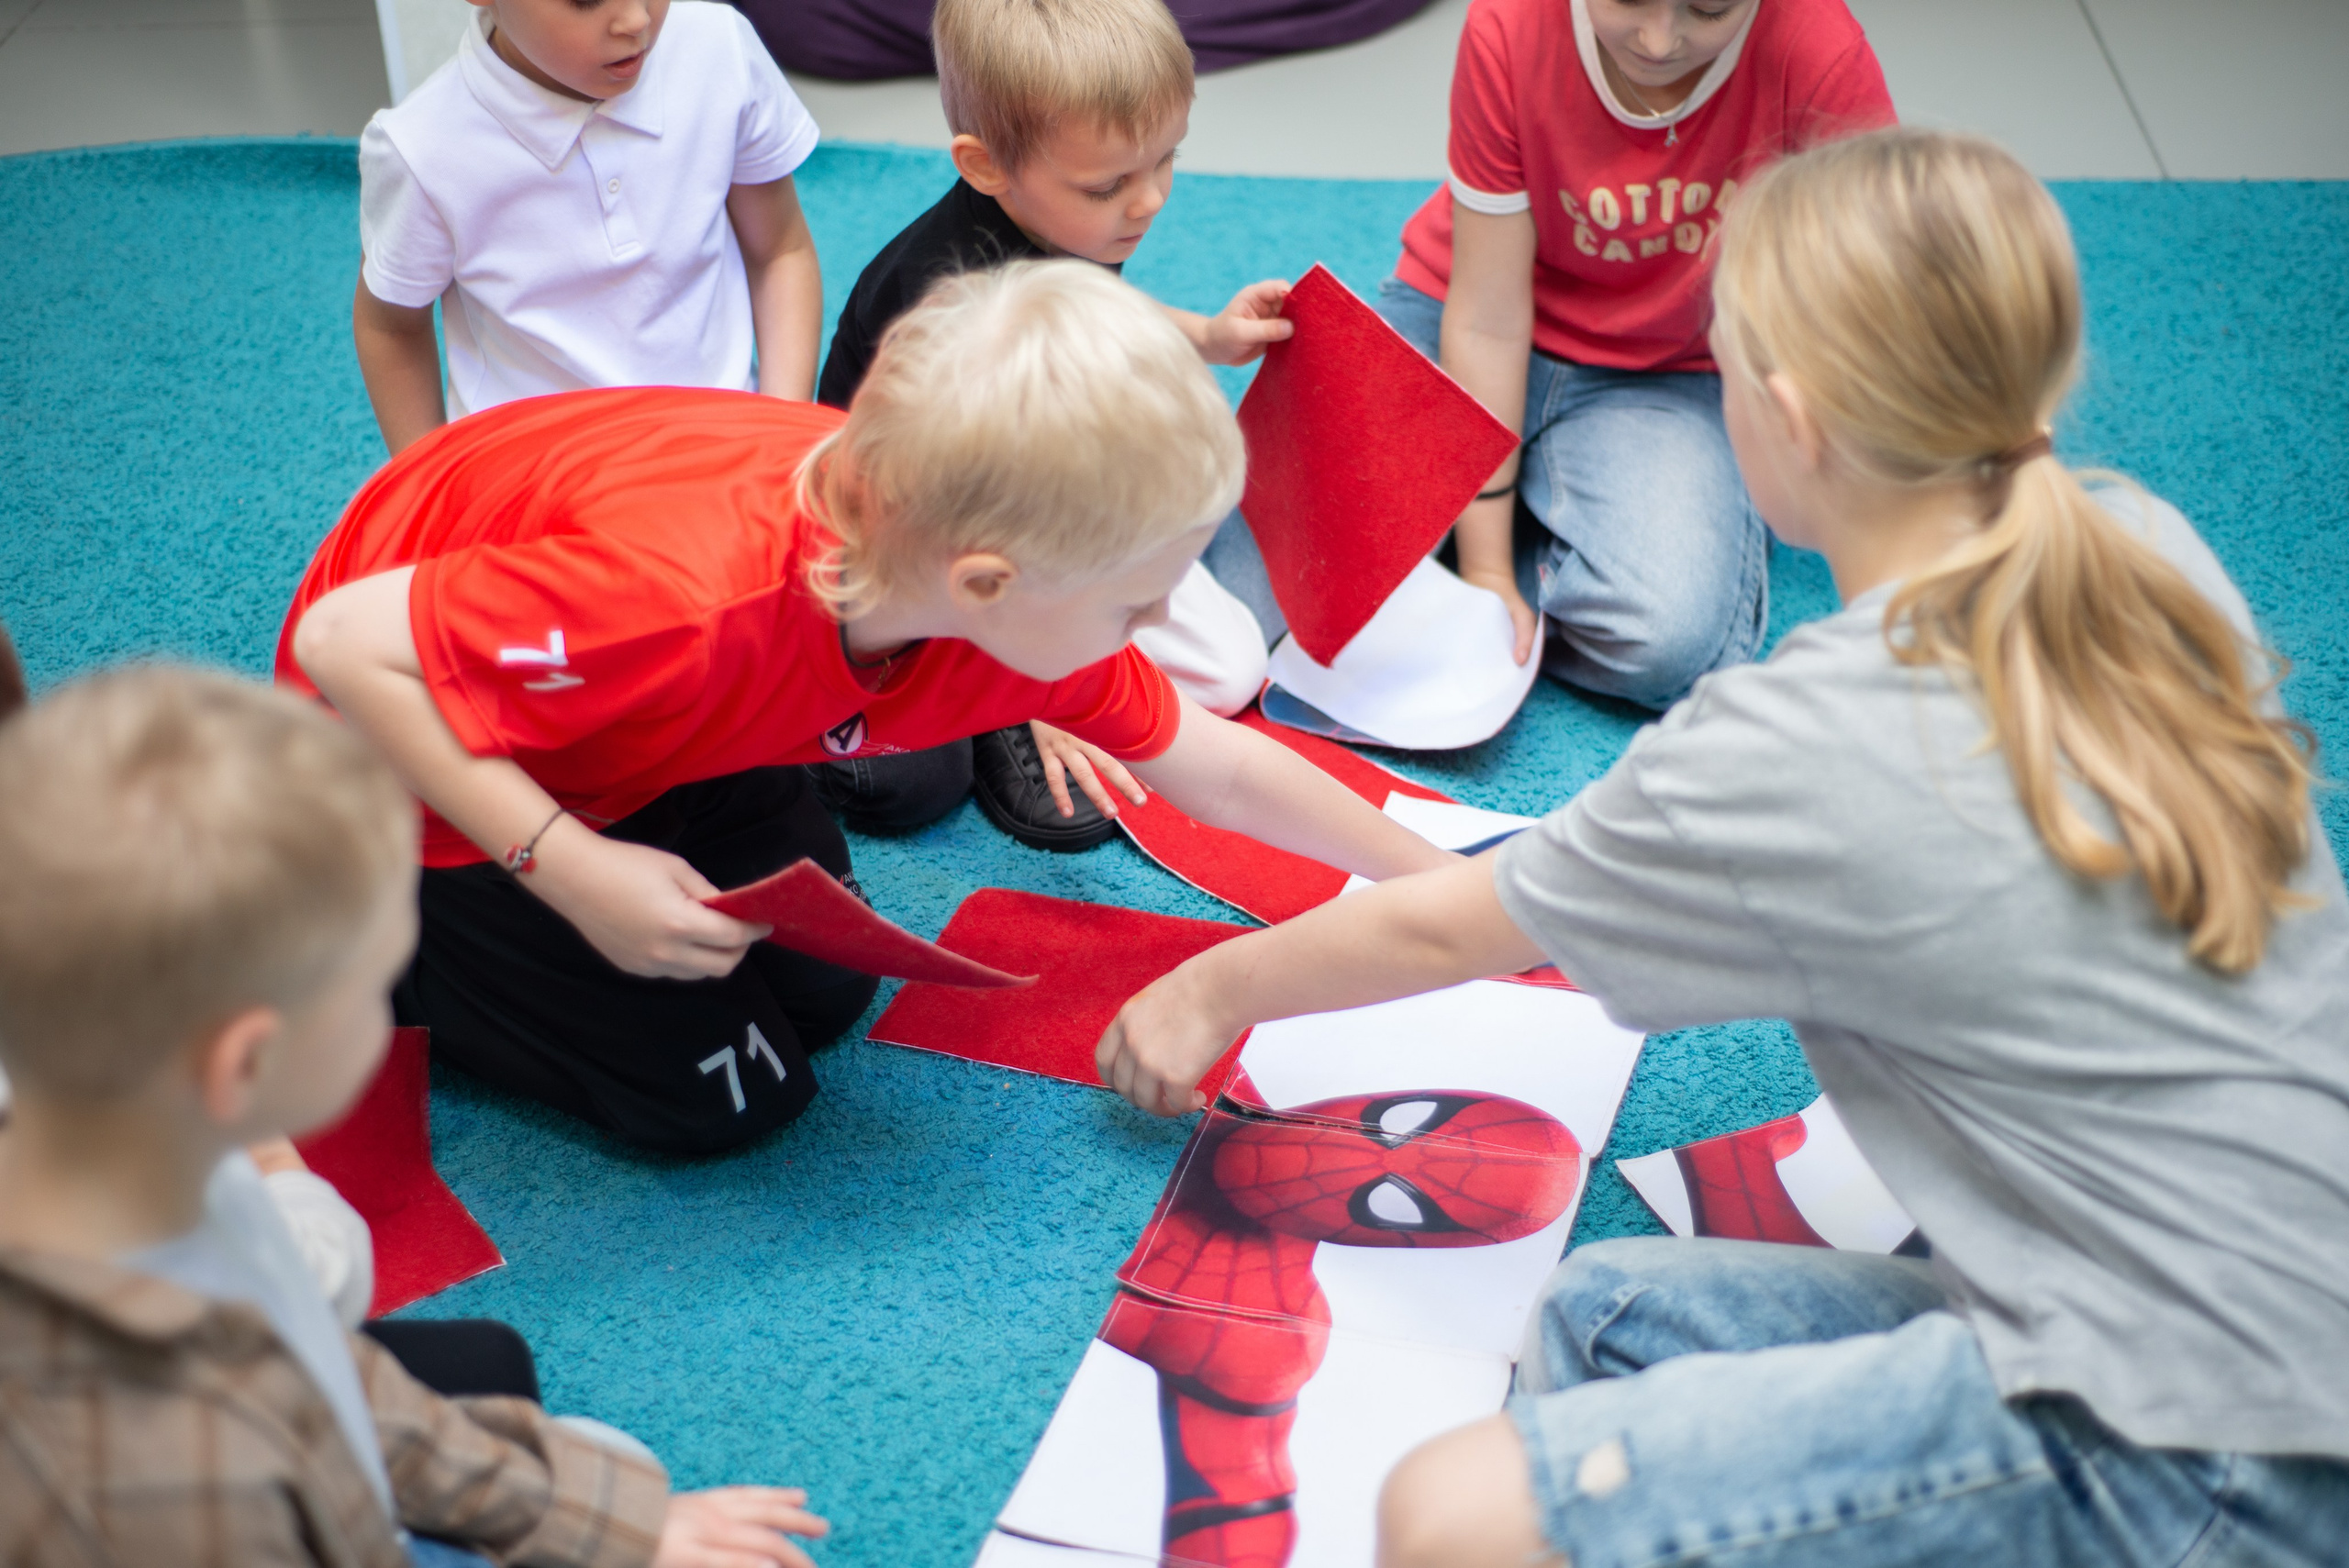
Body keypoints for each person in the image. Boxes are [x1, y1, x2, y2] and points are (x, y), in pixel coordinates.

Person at [1094, 130, 2349, 1565]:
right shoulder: (2143, 540)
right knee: (1603, 1318)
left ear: (1789, 418)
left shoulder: (1792, 746)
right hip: (2257, 1301)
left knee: (1444, 1516)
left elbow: (1465, 925)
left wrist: (1214, 990)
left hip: (2211, 1443)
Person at [282, 261, 1454, 1156]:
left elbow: (1224, 770)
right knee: (730, 1094)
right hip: (412, 751)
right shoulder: (683, 600)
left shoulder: (991, 595)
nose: (1152, 629)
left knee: (828, 988)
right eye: (1136, 602)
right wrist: (570, 866)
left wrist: (1434, 881)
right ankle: (376, 937)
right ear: (988, 583)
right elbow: (344, 647)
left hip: (665, 723)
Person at [0, 666, 830, 1568]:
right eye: (367, 987)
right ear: (245, 1061)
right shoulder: (185, 1476)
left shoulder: (133, 1160)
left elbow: (311, 1363)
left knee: (596, 1469)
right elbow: (296, 1389)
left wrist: (611, 1522)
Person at [813, 0, 1288, 851]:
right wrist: (1025, 692)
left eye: (1166, 160)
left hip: (1042, 501)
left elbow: (1099, 300)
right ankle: (978, 707)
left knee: (1230, 664)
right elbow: (952, 532)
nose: (1148, 202)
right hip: (916, 557)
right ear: (985, 166)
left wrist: (1210, 337)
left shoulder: (1061, 223)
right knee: (910, 781)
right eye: (1108, 186)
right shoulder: (949, 301)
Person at [1373, 0, 1891, 706]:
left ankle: (1483, 529)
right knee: (1269, 583)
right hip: (1461, 313)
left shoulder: (1820, 53)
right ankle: (1524, 527)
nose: (1657, 41)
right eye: (1627, 0)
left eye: (1707, 10)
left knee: (1669, 643)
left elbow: (1890, 304)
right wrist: (1487, 570)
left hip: (1671, 372)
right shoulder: (1510, 23)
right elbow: (1487, 319)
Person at [353, 0, 823, 456]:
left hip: (724, 443)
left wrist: (783, 434)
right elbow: (391, 328)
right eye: (585, 0)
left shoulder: (719, 47)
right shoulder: (421, 149)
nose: (636, 19)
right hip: (529, 474)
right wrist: (428, 487)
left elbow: (780, 250)